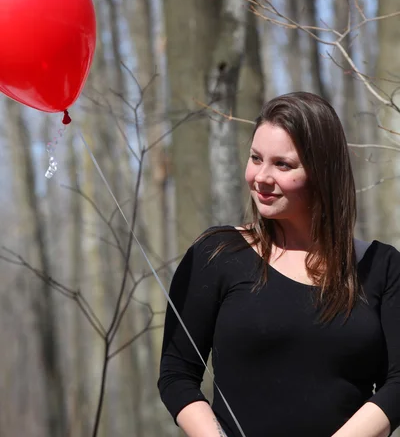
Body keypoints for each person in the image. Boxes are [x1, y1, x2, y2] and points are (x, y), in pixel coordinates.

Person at [157, 92, 400, 437]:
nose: (261, 177)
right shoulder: (216, 254)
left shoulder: (382, 267)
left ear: (322, 171)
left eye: (282, 165)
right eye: (256, 158)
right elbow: (177, 373)